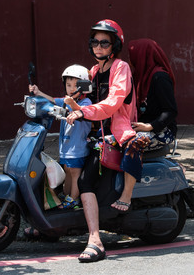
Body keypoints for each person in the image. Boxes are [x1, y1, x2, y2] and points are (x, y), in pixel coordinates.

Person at [66, 19, 148, 263]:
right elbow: (78, 95)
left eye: (104, 42)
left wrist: (84, 112)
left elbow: (113, 102)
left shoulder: (120, 68)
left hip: (117, 129)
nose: (98, 46)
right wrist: (56, 103)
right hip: (96, 131)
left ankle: (96, 239)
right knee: (69, 163)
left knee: (85, 180)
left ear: (115, 45)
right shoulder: (92, 72)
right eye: (95, 42)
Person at [28, 65, 92, 209]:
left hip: (77, 147)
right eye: (68, 85)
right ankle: (66, 194)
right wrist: (39, 93)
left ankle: (74, 199)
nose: (70, 88)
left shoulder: (85, 103)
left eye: (75, 85)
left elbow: (83, 111)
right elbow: (53, 100)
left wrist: (72, 104)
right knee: (67, 171)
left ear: (84, 87)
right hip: (66, 146)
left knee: (75, 173)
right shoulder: (67, 100)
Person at [128, 39, 178, 149]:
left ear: (141, 56)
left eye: (132, 55)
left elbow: (170, 111)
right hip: (142, 126)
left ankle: (131, 167)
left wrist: (149, 126)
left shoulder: (159, 77)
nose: (130, 61)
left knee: (129, 144)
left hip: (162, 130)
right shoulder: (139, 76)